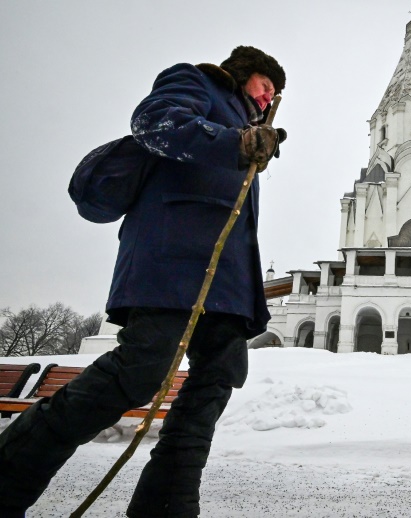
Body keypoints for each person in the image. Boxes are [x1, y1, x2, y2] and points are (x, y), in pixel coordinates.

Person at [0, 46, 287, 517]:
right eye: (265, 84)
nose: (270, 96)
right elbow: (155, 122)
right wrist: (233, 143)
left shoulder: (250, 129)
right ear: (241, 75)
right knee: (139, 371)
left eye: (275, 93)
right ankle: (9, 476)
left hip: (229, 284)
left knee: (212, 390)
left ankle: (167, 508)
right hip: (173, 264)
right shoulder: (200, 84)